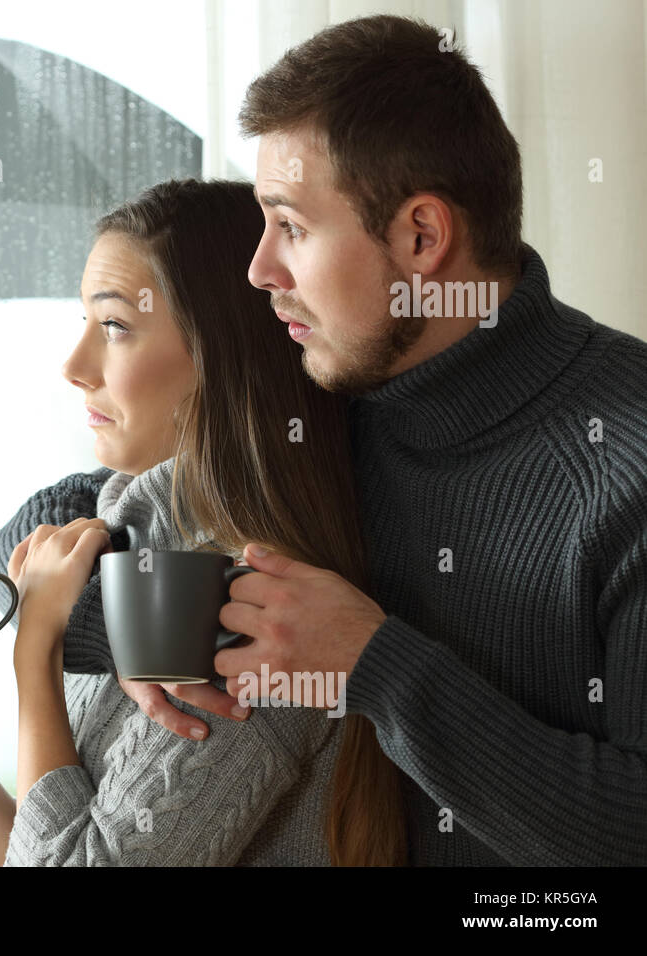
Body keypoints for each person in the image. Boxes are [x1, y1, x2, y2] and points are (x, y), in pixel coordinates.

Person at [136, 15, 647, 865]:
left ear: (421, 238)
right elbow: (69, 515)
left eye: (290, 227)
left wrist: (375, 664)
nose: (260, 270)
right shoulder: (318, 400)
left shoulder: (628, 455)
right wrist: (126, 631)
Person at [0, 179, 408, 865]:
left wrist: (37, 648)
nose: (75, 367)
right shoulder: (119, 563)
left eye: (113, 327)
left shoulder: (257, 615)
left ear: (220, 355)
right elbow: (48, 850)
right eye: (84, 323)